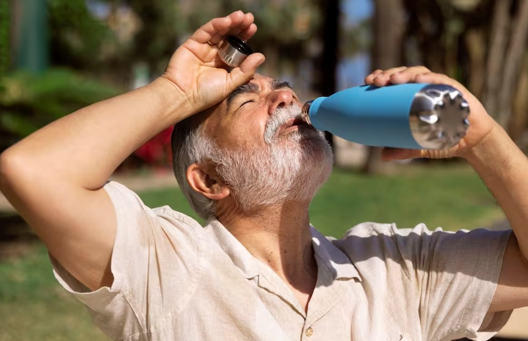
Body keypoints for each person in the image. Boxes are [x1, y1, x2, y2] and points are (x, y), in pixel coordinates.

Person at [1, 11, 527, 341]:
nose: (286, 98)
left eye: (283, 89)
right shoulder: (164, 267)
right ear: (209, 180)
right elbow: (33, 171)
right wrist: (177, 93)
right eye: (248, 100)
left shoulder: (394, 271)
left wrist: (482, 142)